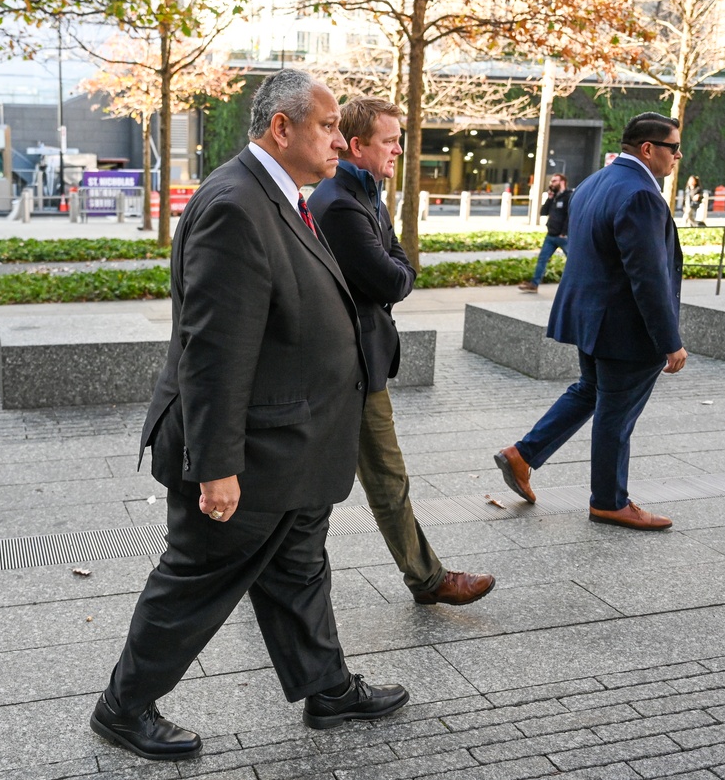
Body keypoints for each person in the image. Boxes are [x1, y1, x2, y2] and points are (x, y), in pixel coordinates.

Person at [89, 70, 408, 762]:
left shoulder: (284, 196)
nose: (337, 138)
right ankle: (123, 706)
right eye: (326, 126)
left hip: (292, 447)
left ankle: (327, 687)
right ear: (281, 128)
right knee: (197, 577)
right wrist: (217, 467)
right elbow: (213, 352)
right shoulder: (237, 204)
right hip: (251, 454)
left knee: (298, 569)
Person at [308, 96, 495, 606]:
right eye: (389, 141)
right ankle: (428, 580)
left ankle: (424, 578)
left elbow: (397, 259)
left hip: (356, 363)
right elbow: (393, 277)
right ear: (356, 144)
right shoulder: (342, 203)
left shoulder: (363, 195)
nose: (398, 151)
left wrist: (397, 267)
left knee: (347, 484)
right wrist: (398, 270)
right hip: (350, 368)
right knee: (380, 480)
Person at [494, 112, 687, 531]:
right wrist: (669, 339)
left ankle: (523, 454)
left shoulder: (596, 181)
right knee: (615, 412)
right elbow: (648, 275)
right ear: (649, 149)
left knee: (590, 392)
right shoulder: (640, 194)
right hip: (625, 330)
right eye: (673, 148)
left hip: (590, 322)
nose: (678, 156)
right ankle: (609, 502)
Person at [519, 173, 571, 292]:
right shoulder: (554, 197)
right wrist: (550, 198)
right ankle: (534, 284)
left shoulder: (568, 196)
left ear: (562, 182)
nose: (551, 183)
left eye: (554, 181)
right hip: (551, 235)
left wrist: (564, 232)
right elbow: (543, 212)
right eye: (551, 181)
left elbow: (570, 216)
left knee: (573, 261)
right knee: (542, 259)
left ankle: (575, 287)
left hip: (563, 237)